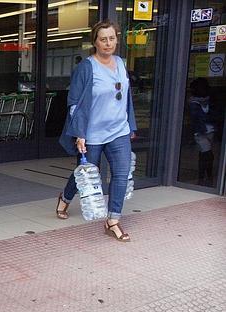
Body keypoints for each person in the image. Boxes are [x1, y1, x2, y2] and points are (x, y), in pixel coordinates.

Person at [56, 20, 137, 242]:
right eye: (103, 39)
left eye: (111, 38)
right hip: (92, 133)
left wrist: (131, 125)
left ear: (117, 40)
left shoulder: (120, 63)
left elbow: (126, 97)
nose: (108, 43)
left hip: (118, 130)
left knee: (121, 174)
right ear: (95, 42)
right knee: (86, 175)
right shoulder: (86, 67)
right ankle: (65, 197)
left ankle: (113, 221)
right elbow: (74, 103)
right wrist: (79, 133)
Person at [188, 77, 218, 186]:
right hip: (200, 132)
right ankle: (205, 177)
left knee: (204, 154)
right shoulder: (193, 103)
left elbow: (214, 115)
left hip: (210, 130)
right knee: (208, 154)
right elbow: (196, 118)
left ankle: (204, 176)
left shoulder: (208, 101)